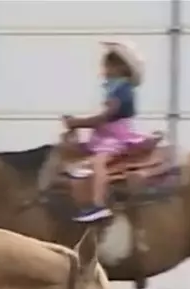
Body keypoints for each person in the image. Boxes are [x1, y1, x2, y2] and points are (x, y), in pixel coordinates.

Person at [63, 40, 148, 223]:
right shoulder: (115, 87)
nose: (103, 70)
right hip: (105, 134)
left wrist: (79, 123)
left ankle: (98, 204)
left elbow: (108, 116)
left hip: (115, 135)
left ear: (119, 67)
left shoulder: (122, 89)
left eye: (107, 65)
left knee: (99, 162)